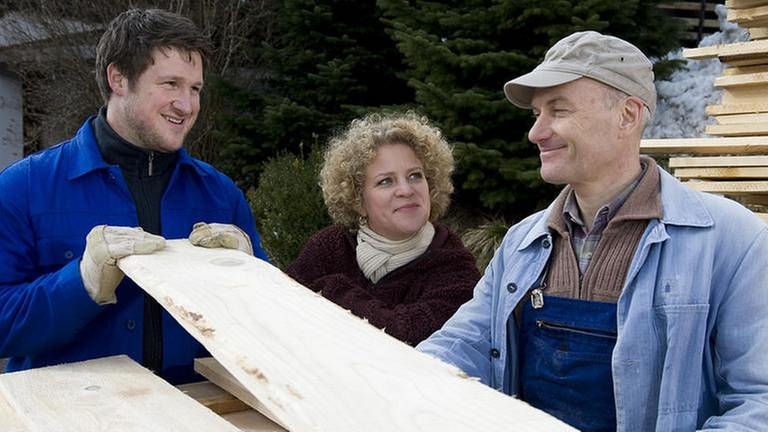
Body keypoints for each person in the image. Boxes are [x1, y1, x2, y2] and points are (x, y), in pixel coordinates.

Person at [418, 31, 768, 431]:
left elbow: (757, 404)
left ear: (628, 115)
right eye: (536, 114)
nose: (536, 132)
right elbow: (460, 348)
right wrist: (388, 374)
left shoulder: (730, 242)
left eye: (559, 110)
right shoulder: (522, 243)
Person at [0, 8, 269, 385]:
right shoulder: (22, 187)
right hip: (68, 416)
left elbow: (266, 327)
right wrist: (82, 282)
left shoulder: (220, 194)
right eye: (170, 84)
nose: (187, 105)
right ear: (118, 79)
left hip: (194, 411)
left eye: (195, 89)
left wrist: (250, 276)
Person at [287, 112, 480, 346]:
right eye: (386, 181)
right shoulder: (330, 247)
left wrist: (333, 290)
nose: (406, 190)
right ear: (358, 200)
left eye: (415, 176)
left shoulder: (456, 269)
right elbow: (283, 306)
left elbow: (406, 337)